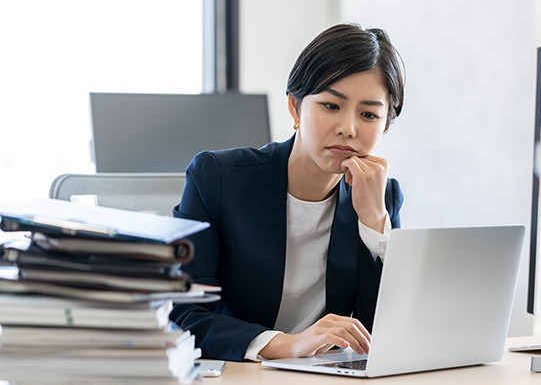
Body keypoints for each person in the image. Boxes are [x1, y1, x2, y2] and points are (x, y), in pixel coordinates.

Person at [169, 23, 405, 362]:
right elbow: (181, 315)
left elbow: (386, 330)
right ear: (295, 107)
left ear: (384, 126)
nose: (348, 128)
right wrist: (287, 344)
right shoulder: (217, 179)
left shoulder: (383, 196)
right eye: (330, 106)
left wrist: (373, 222)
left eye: (368, 114)